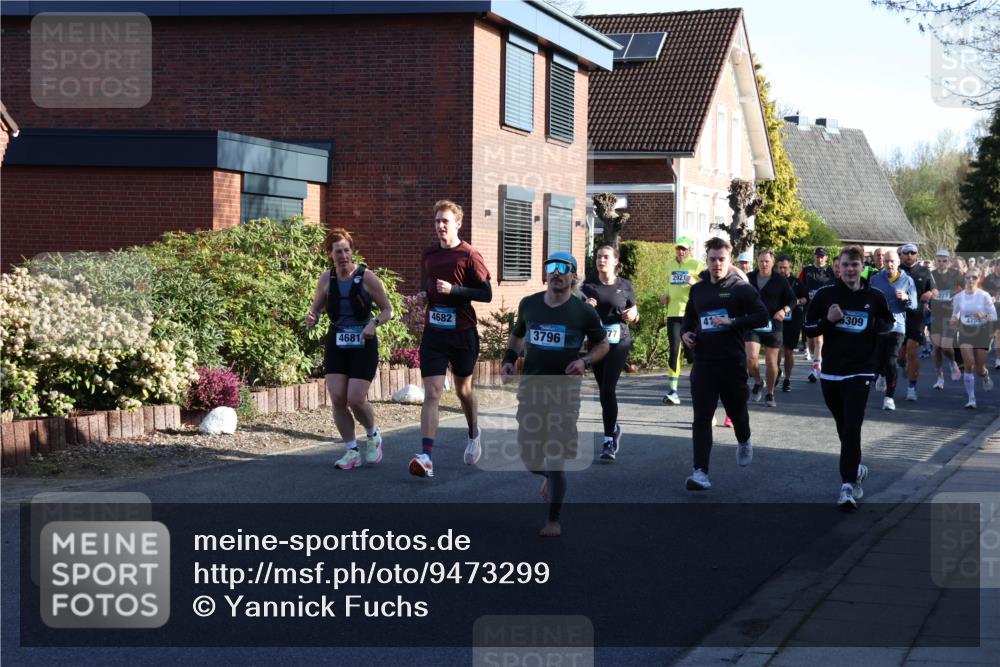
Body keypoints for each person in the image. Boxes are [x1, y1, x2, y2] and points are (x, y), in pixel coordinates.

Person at [501, 252, 609, 536]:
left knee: (555, 457)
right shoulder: (529, 304)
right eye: (551, 267)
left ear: (573, 276)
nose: (556, 272)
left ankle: (553, 521)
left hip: (564, 392)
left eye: (563, 268)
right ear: (546, 272)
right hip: (532, 390)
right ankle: (549, 476)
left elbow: (603, 345)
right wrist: (509, 359)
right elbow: (517, 335)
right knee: (530, 457)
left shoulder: (583, 311)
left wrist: (584, 361)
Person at [804, 246, 894, 511]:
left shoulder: (875, 296)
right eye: (846, 265)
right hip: (832, 371)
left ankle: (847, 486)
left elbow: (888, 323)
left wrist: (876, 329)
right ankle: (856, 468)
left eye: (855, 265)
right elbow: (808, 328)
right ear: (838, 268)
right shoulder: (826, 295)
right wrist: (829, 321)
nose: (850, 270)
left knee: (853, 426)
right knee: (843, 427)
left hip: (861, 370)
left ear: (862, 267)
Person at [410, 200, 493, 479]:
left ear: (458, 223)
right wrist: (424, 296)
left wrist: (454, 290)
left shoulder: (469, 255)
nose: (440, 226)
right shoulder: (429, 254)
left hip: (462, 333)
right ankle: (426, 456)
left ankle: (473, 432)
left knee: (463, 391)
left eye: (445, 221)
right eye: (437, 221)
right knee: (432, 392)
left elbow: (486, 294)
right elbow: (426, 285)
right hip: (434, 332)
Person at [680, 237, 768, 491]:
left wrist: (734, 322)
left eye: (721, 259)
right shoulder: (698, 289)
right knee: (702, 417)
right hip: (704, 362)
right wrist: (686, 334)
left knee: (737, 412)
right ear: (706, 260)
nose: (716, 264)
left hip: (731, 362)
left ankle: (744, 440)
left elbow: (762, 316)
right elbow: (689, 318)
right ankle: (700, 472)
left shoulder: (741, 288)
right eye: (712, 259)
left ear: (729, 260)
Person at [305, 228, 394, 470]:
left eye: (346, 250)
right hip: (337, 341)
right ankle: (352, 451)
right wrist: (312, 317)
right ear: (330, 254)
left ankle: (373, 435)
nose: (343, 256)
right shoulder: (327, 279)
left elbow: (388, 310)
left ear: (352, 251)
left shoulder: (367, 277)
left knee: (355, 398)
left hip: (364, 342)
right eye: (338, 252)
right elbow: (317, 308)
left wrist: (373, 323)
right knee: (337, 398)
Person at [582, 246, 639, 461]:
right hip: (597, 343)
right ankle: (613, 427)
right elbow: (577, 314)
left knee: (608, 389)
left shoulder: (625, 285)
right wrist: (585, 307)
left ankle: (608, 441)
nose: (601, 260)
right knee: (603, 391)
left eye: (606, 257)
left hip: (619, 342)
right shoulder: (588, 286)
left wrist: (633, 315)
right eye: (598, 257)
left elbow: (635, 313)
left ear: (615, 261)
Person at [745, 249, 796, 407]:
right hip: (753, 323)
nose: (764, 264)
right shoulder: (749, 278)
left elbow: (792, 300)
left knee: (771, 361)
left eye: (767, 261)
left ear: (772, 263)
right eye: (761, 261)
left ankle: (770, 393)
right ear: (757, 262)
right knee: (751, 358)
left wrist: (784, 310)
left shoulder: (780, 280)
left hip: (773, 325)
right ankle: (759, 382)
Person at [870, 249, 917, 411]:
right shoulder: (875, 279)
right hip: (879, 325)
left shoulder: (907, 280)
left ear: (898, 262)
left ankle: (889, 397)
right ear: (883, 263)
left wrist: (906, 297)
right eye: (887, 261)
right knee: (877, 359)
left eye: (892, 261)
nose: (889, 264)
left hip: (898, 326)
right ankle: (881, 374)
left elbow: (914, 304)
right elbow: (868, 301)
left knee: (891, 360)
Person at [659, 237, 704, 405]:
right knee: (674, 350)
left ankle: (700, 386)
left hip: (691, 314)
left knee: (693, 353)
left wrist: (694, 282)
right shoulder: (670, 264)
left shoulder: (697, 265)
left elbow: (706, 285)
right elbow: (668, 284)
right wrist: (664, 295)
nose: (681, 251)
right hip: (673, 313)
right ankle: (673, 391)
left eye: (684, 249)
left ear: (690, 250)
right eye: (678, 248)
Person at [951, 269, 997, 409]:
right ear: (965, 279)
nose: (971, 280)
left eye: (974, 277)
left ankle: (985, 375)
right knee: (969, 364)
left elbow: (994, 316)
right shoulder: (959, 297)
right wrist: (954, 319)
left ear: (979, 279)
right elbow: (955, 313)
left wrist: (983, 316)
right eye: (968, 277)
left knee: (979, 369)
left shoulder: (984, 296)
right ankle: (971, 398)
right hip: (965, 331)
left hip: (981, 331)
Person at [898, 243, 936, 402]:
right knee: (900, 356)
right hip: (899, 316)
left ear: (917, 255)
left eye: (912, 252)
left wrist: (929, 294)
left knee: (912, 350)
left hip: (917, 316)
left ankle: (912, 387)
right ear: (901, 254)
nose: (909, 255)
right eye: (906, 252)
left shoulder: (924, 271)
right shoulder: (895, 270)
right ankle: (901, 364)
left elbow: (934, 290)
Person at [929, 249, 964, 389]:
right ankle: (940, 378)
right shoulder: (931, 275)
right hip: (935, 314)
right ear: (935, 261)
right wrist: (929, 294)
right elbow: (923, 291)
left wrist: (957, 296)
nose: (941, 263)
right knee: (936, 348)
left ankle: (952, 362)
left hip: (950, 315)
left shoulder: (956, 274)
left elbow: (967, 289)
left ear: (949, 262)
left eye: (944, 261)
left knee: (946, 346)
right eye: (939, 260)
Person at [800, 247, 835, 381]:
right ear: (814, 257)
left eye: (822, 256)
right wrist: (803, 297)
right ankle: (817, 360)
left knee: (819, 339)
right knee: (811, 340)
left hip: (824, 309)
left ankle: (816, 368)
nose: (819, 259)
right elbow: (800, 286)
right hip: (810, 308)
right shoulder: (806, 270)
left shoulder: (831, 271)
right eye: (817, 256)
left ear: (826, 258)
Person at [777, 254, 808, 392]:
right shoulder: (773, 281)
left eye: (785, 267)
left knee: (788, 351)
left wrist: (796, 302)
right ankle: (776, 371)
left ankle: (787, 379)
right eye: (780, 267)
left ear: (790, 267)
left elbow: (805, 298)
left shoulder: (797, 282)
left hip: (793, 320)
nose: (782, 270)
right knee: (776, 350)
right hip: (777, 319)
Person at [982, 259, 1000, 369]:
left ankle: (998, 360)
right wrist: (990, 297)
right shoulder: (989, 278)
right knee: (989, 336)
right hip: (991, 310)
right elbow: (983, 292)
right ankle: (982, 359)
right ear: (996, 266)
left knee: (998, 335)